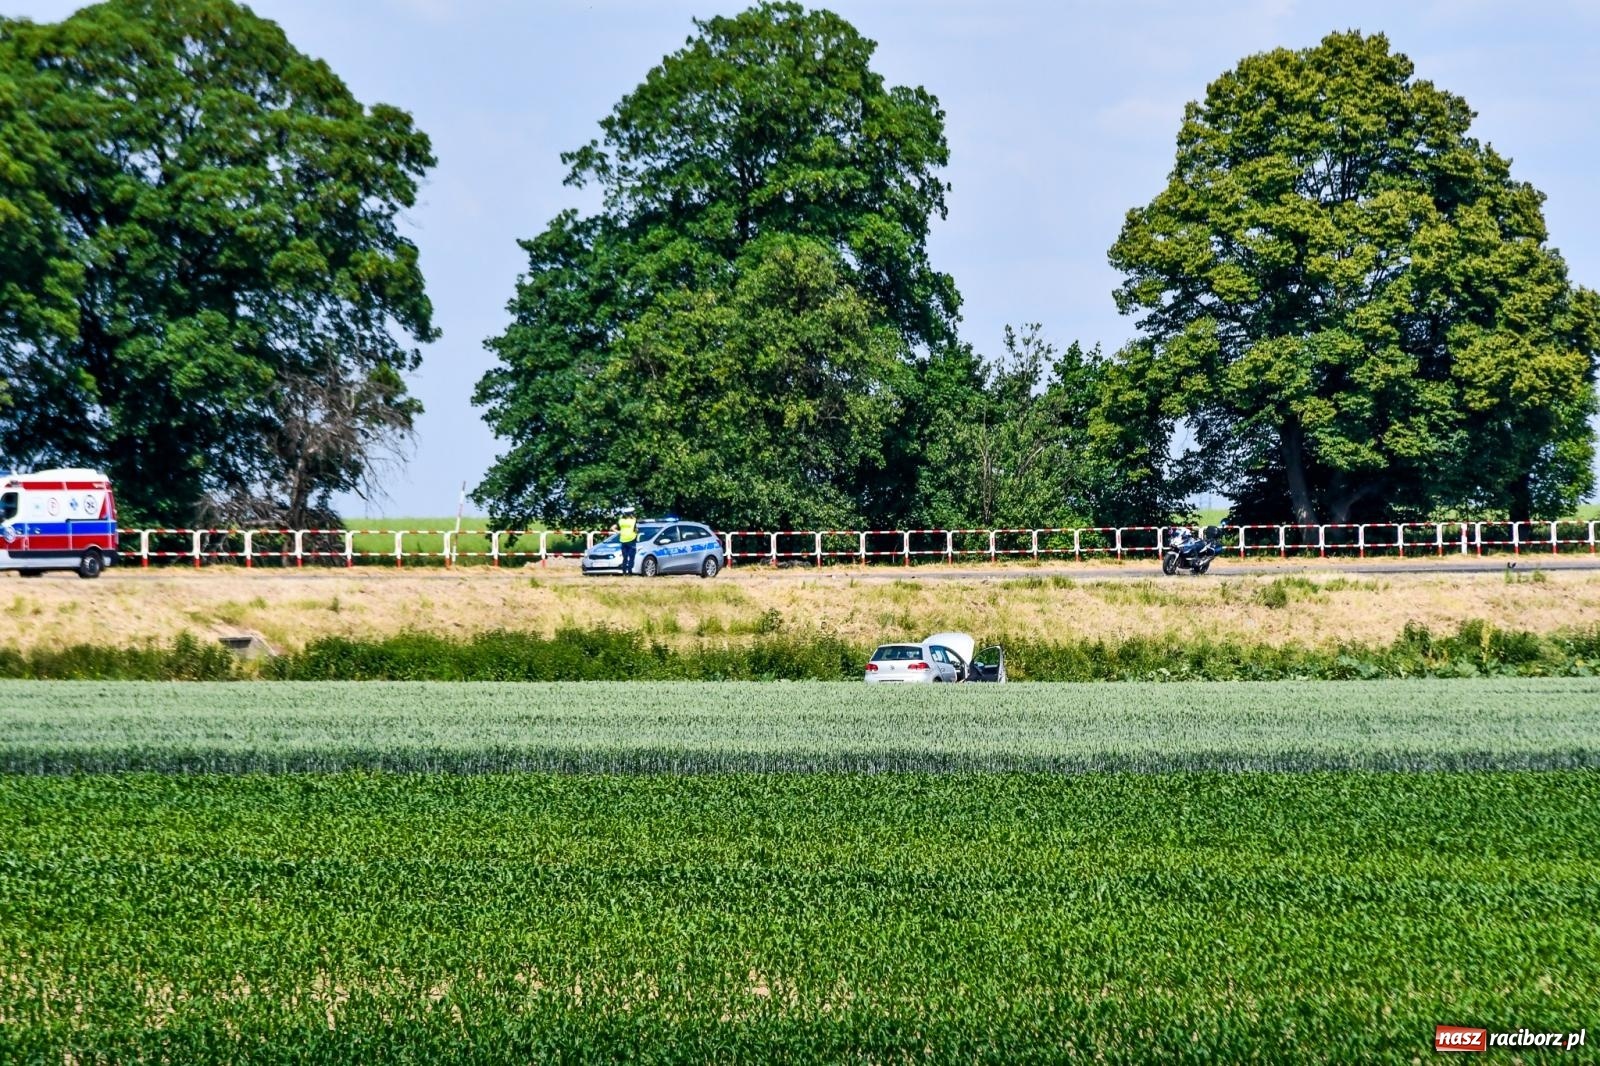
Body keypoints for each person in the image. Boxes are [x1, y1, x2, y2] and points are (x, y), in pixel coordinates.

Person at [617, 507, 638, 575]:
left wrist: (619, 532)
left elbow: (612, 528)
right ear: (631, 514)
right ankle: (629, 571)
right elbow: (636, 529)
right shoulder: (633, 520)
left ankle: (624, 572)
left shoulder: (621, 521)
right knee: (631, 557)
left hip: (623, 540)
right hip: (631, 539)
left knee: (625, 557)